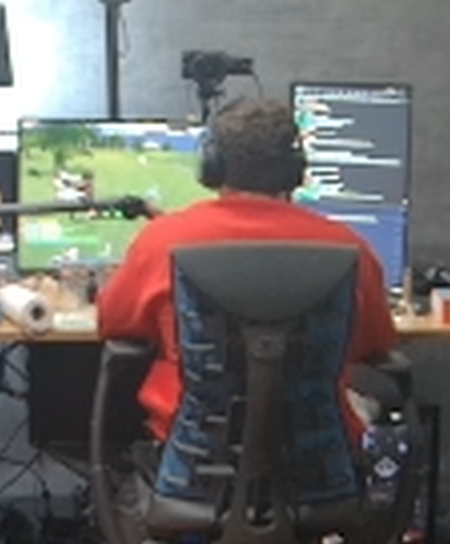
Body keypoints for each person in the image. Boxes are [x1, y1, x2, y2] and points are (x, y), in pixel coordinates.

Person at [96, 98, 396, 447]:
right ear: (296, 169)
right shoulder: (350, 248)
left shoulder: (161, 240)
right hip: (316, 458)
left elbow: (112, 323)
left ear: (212, 165)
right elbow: (374, 343)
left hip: (192, 453)